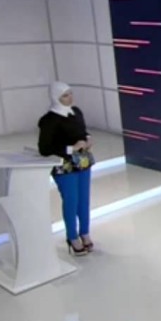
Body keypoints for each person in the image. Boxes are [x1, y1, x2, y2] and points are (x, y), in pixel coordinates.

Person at [38, 82, 95, 256]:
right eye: (65, 95)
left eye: (70, 93)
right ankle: (72, 237)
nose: (70, 98)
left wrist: (88, 138)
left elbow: (82, 131)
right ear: (56, 97)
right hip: (64, 166)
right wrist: (71, 149)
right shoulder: (49, 120)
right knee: (71, 201)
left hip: (83, 161)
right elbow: (45, 148)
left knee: (84, 200)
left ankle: (85, 232)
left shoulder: (76, 112)